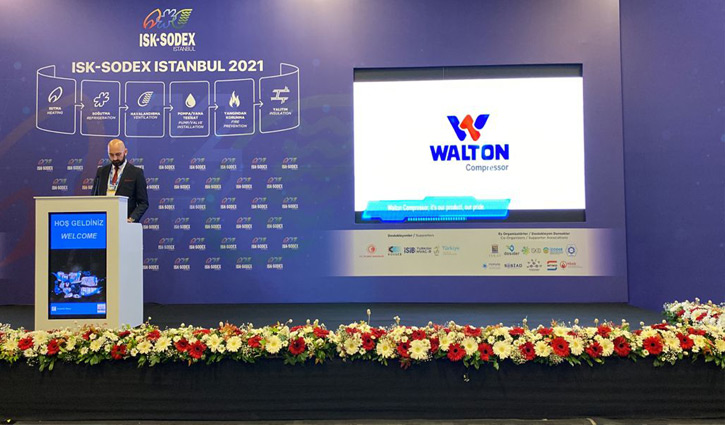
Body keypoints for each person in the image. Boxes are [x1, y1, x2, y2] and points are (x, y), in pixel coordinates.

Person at [91, 139, 149, 223]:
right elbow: (94, 198)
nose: (115, 158)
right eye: (111, 155)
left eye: (118, 154)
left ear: (125, 152)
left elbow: (143, 202)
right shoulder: (101, 171)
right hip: (103, 221)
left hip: (124, 221)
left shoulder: (136, 173)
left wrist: (132, 219)